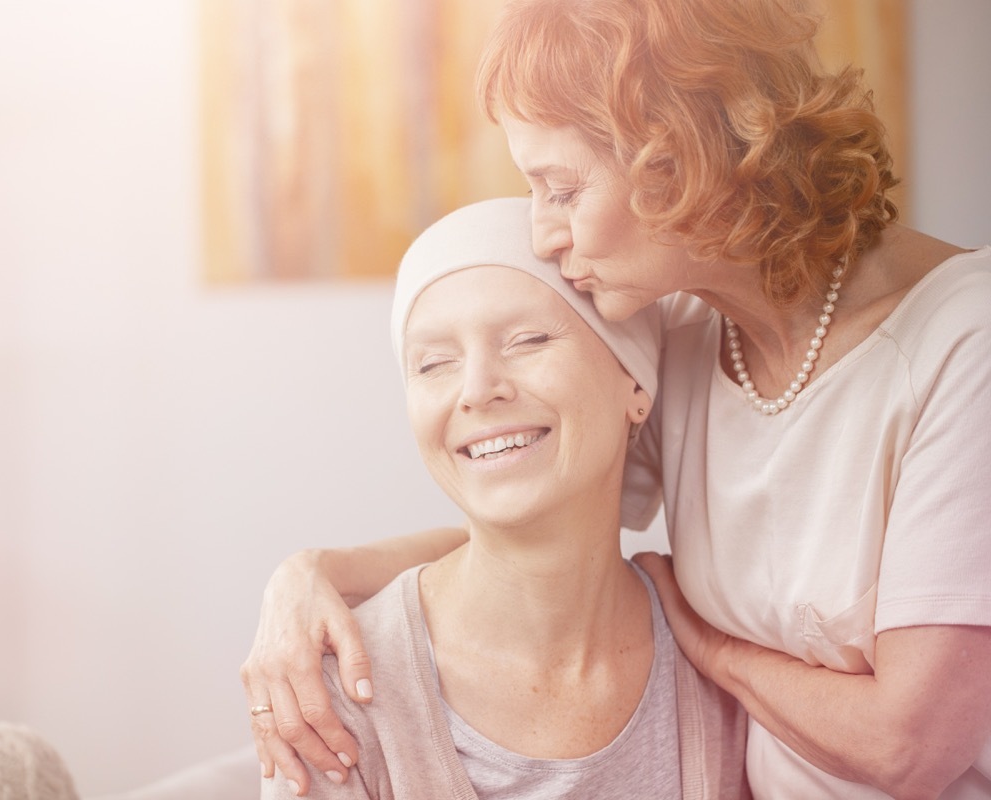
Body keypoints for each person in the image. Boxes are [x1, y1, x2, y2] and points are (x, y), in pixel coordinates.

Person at [242, 1, 991, 798]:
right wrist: (310, 578)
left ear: (677, 157)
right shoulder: (693, 329)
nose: (543, 235)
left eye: (560, 189)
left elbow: (908, 747)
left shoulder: (961, 346)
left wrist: (710, 648)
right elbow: (536, 540)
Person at [258, 196, 748, 799]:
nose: (477, 389)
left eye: (528, 339)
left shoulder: (728, 654)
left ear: (635, 383)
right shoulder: (336, 696)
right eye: (434, 363)